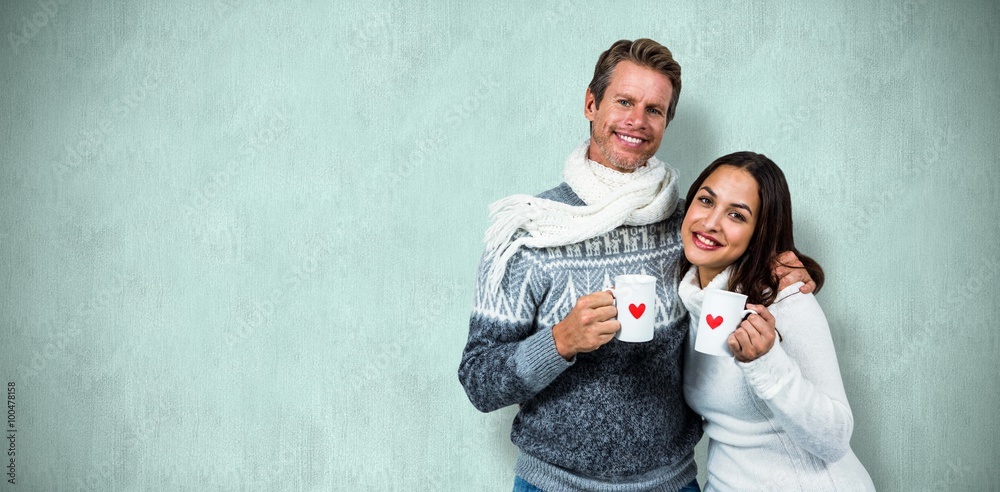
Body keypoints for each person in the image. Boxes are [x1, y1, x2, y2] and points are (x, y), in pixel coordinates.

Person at [458, 39, 812, 492]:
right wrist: (560, 341)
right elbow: (478, 381)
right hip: (551, 485)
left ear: (666, 122)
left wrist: (790, 274)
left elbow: (758, 266)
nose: (636, 121)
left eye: (654, 110)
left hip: (672, 483)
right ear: (591, 103)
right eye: (624, 101)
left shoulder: (690, 229)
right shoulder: (528, 232)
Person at [678, 152, 875, 491]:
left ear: (759, 233)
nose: (711, 222)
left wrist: (766, 362)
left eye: (737, 215)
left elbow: (835, 438)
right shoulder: (688, 295)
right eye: (706, 200)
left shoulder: (785, 299)